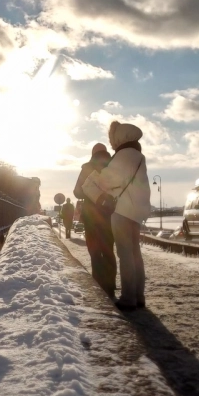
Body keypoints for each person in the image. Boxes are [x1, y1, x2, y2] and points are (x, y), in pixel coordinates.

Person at [82, 121, 150, 310]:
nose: (112, 143)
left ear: (120, 137)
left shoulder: (123, 155)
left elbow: (107, 180)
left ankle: (128, 298)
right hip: (136, 212)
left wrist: (97, 177)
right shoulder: (139, 156)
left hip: (121, 211)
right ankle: (139, 295)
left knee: (125, 253)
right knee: (136, 253)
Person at [75, 143, 116, 298]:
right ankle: (110, 287)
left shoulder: (87, 168)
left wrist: (89, 193)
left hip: (91, 217)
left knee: (95, 252)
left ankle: (98, 287)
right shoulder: (113, 167)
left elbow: (77, 191)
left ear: (92, 153)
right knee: (108, 251)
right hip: (109, 216)